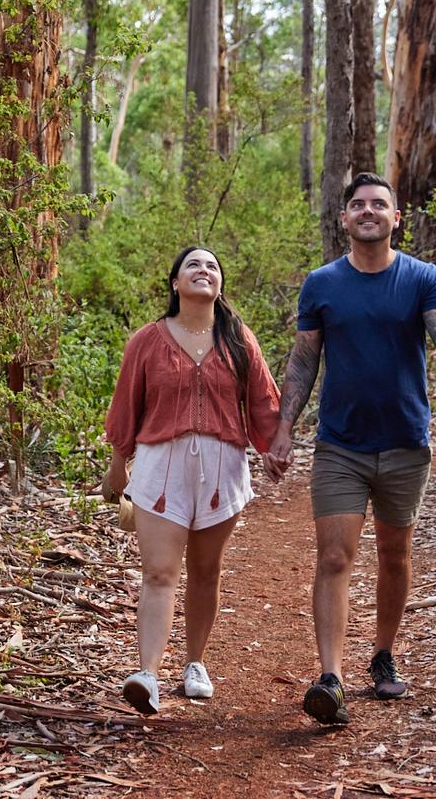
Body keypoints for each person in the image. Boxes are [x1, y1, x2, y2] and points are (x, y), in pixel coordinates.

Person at [267, 173, 436, 726]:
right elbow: (303, 360)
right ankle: (330, 678)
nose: (368, 211)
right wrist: (284, 428)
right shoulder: (322, 284)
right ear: (344, 218)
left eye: (379, 204)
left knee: (394, 555)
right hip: (340, 445)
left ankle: (383, 653)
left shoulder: (422, 277)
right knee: (335, 556)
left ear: (395, 217)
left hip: (405, 441)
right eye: (357, 204)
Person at [100, 246, 283, 714]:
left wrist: (272, 448)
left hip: (222, 466)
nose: (204, 270)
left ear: (220, 285)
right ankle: (147, 674)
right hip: (161, 465)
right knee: (159, 572)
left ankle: (195, 663)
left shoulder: (238, 338)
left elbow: (263, 401)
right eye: (193, 265)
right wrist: (119, 464)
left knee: (205, 571)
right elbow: (127, 404)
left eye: (212, 266)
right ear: (175, 283)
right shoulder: (147, 340)